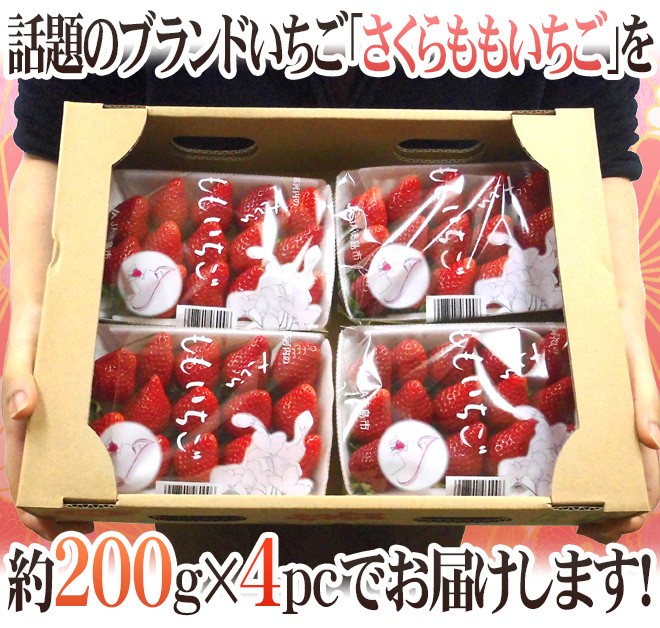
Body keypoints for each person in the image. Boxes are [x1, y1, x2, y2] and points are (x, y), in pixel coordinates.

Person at [2, 63, 659, 564]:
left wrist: (618, 323)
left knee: (405, 559)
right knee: (215, 561)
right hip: (218, 438)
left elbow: (593, 149)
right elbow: (55, 137)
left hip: (437, 399)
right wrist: (37, 319)